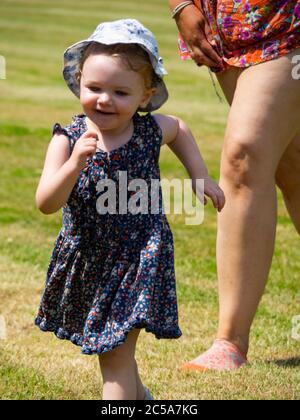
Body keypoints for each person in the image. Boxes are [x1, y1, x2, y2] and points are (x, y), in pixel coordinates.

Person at [35, 19, 225, 399]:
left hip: (140, 256)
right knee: (118, 352)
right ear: (78, 82)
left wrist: (199, 175)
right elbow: (45, 203)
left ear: (145, 95)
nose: (104, 100)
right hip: (91, 260)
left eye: (120, 92)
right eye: (94, 88)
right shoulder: (67, 139)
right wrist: (73, 165)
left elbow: (180, 128)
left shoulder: (150, 130)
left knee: (116, 356)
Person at [169, 0, 300, 371]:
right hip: (227, 24)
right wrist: (180, 5)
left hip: (287, 19)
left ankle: (230, 341)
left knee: (245, 154)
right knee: (293, 171)